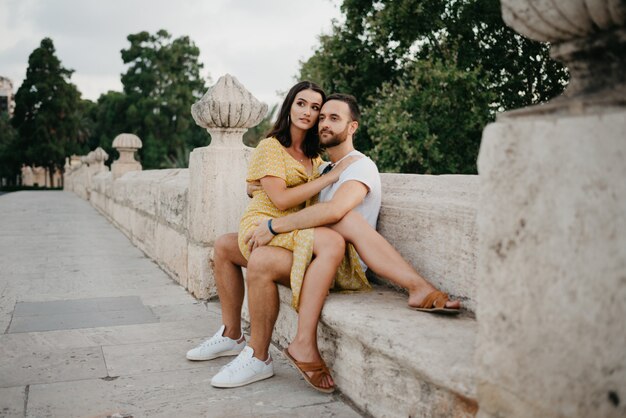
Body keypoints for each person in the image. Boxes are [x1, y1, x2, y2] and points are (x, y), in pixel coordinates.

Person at [187, 92, 461, 393]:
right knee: (226, 244)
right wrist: (259, 187)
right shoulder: (323, 167)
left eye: (334, 117)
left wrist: (272, 226)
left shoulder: (358, 166)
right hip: (315, 251)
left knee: (268, 256)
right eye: (322, 117)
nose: (324, 123)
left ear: (352, 127)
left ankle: (259, 355)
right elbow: (290, 194)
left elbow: (333, 212)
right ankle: (231, 333)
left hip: (342, 262)